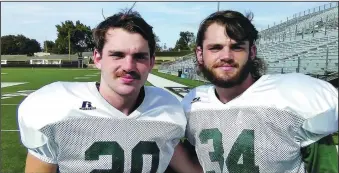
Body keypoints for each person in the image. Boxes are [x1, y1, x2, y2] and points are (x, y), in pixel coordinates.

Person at [18, 10, 187, 173]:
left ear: (151, 62)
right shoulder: (55, 108)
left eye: (139, 57)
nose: (128, 66)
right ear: (98, 58)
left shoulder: (168, 109)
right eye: (117, 55)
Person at [177, 10, 338, 173]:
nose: (226, 55)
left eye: (237, 47)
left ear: (252, 52)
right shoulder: (193, 103)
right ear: (200, 54)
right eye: (215, 48)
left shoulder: (294, 101)